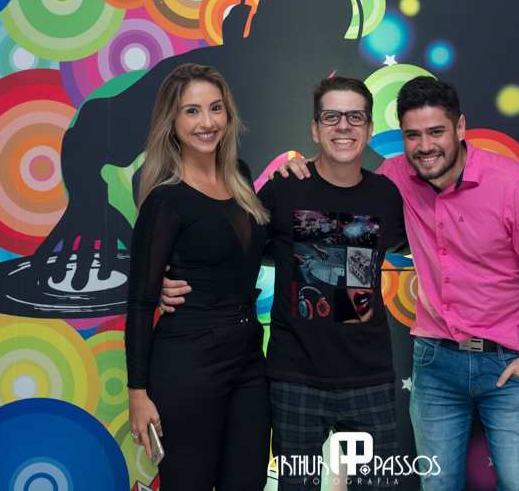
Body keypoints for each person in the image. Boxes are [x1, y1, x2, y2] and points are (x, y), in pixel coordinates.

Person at [275, 76, 519, 490]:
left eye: (436, 132)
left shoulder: (514, 186)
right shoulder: (394, 177)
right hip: (435, 363)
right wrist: (302, 167)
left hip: (507, 362)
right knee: (437, 485)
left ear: (460, 127)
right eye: (413, 135)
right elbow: (340, 189)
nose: (425, 146)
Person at [161, 77, 407, 490]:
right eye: (331, 116)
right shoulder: (284, 188)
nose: (343, 126)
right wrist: (167, 278)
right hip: (295, 380)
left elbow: (439, 246)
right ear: (314, 128)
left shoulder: (388, 195)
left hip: (369, 378)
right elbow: (230, 250)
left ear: (368, 129)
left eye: (355, 117)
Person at [125, 63, 271, 490]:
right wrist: (138, 394)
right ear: (171, 122)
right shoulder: (166, 199)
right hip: (188, 364)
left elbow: (245, 252)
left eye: (215, 108)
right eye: (192, 111)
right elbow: (140, 303)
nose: (207, 122)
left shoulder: (240, 175)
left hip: (249, 358)